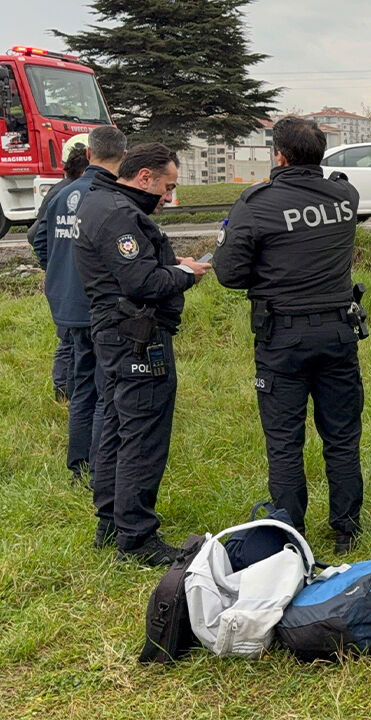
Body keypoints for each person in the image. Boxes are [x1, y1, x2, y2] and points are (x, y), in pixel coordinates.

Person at [213, 116, 366, 555]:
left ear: (278, 156)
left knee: (284, 438)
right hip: (339, 332)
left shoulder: (258, 203)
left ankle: (288, 527)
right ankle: (346, 528)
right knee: (341, 434)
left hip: (283, 337)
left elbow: (229, 272)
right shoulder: (345, 195)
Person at [74, 143, 210, 565]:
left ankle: (112, 522)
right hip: (135, 334)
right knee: (142, 435)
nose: (169, 198)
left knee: (116, 425)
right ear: (145, 177)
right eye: (167, 187)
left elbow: (135, 267)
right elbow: (142, 282)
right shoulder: (118, 214)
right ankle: (137, 538)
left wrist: (170, 262)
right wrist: (184, 274)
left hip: (114, 332)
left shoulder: (99, 202)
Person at [41, 126, 128, 486]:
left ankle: (78, 465)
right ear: (123, 157)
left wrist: (58, 274)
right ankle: (98, 465)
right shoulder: (108, 196)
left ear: (89, 154)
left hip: (67, 303)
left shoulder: (62, 194)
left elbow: (41, 239)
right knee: (104, 392)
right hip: (98, 305)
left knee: (80, 387)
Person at [31, 134, 91, 402]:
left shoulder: (61, 190)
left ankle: (68, 392)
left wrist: (52, 266)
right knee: (70, 340)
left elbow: (38, 235)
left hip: (64, 281)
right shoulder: (69, 192)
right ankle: (65, 392)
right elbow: (36, 235)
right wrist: (53, 265)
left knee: (70, 338)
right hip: (72, 282)